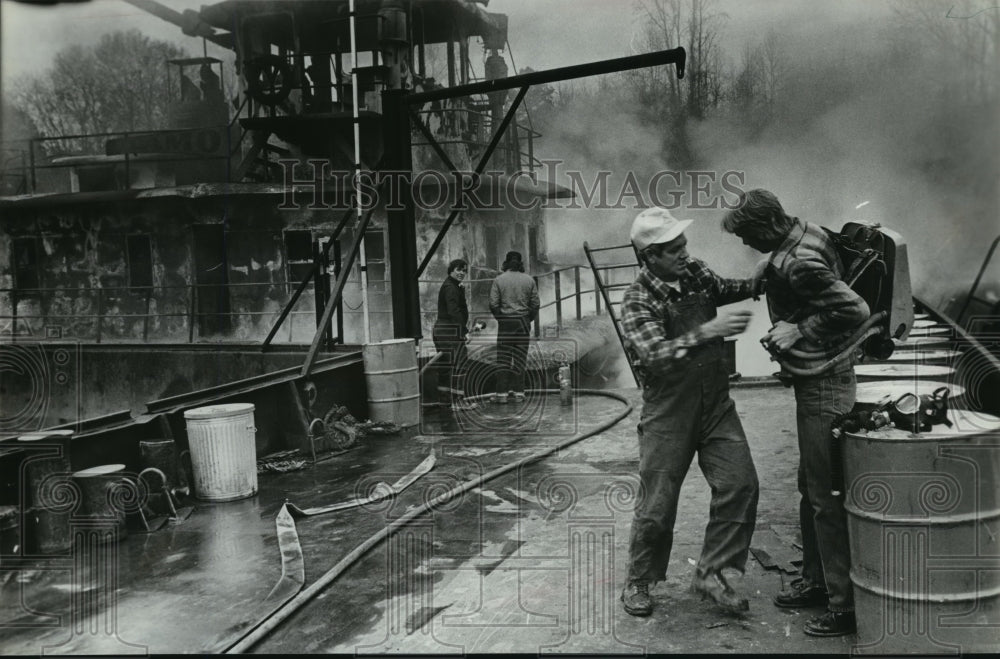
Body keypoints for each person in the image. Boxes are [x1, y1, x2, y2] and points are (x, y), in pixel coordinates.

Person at [722, 189, 870, 637]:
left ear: (767, 226)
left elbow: (855, 309)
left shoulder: (798, 262)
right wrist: (768, 265)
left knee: (825, 498)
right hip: (821, 380)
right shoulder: (801, 232)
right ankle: (818, 580)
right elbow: (797, 248)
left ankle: (843, 606)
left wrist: (798, 328)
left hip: (824, 384)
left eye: (749, 236)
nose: (747, 245)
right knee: (812, 488)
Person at [620, 207, 761, 618]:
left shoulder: (695, 272)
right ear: (650, 257)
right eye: (674, 249)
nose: (685, 253)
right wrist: (708, 331)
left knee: (741, 484)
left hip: (715, 405)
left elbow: (725, 287)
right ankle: (639, 580)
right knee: (657, 504)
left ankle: (714, 575)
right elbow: (655, 355)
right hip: (669, 413)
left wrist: (762, 279)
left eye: (684, 245)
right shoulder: (638, 299)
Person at [488, 251, 540, 404]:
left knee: (503, 359)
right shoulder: (529, 280)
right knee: (520, 359)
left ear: (506, 263)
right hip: (523, 321)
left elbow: (493, 304)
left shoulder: (499, 280)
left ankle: (502, 394)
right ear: (520, 263)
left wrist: (501, 318)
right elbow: (536, 304)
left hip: (506, 323)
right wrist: (527, 318)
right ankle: (519, 393)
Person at [432, 259, 477, 412]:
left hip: (442, 330)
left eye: (464, 271)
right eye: (459, 269)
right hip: (449, 331)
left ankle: (444, 401)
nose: (462, 273)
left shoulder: (452, 286)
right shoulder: (451, 287)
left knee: (445, 366)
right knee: (460, 364)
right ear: (451, 270)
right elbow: (453, 312)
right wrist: (463, 332)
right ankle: (458, 402)